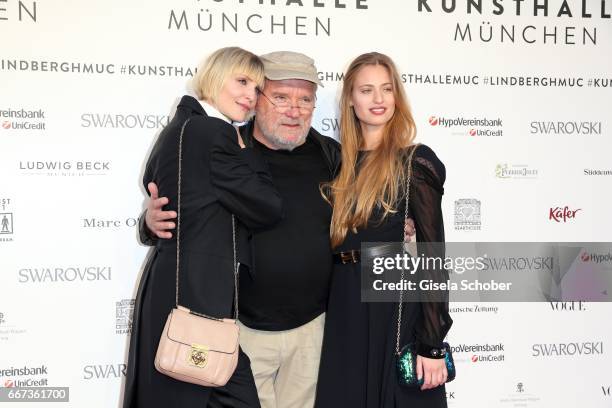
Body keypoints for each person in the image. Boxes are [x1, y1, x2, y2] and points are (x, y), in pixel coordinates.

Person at [139, 51, 341, 408]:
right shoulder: (227, 142)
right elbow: (179, 197)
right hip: (239, 327)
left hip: (312, 327)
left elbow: (366, 212)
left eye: (305, 100)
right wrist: (150, 223)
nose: (294, 110)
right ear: (261, 101)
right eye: (280, 97)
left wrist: (401, 226)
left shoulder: (332, 155)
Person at [123, 47, 283, 408]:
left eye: (257, 89)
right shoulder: (215, 133)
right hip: (195, 302)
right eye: (242, 81)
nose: (250, 96)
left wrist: (149, 223)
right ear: (214, 77)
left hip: (175, 294)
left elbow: (163, 191)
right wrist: (247, 145)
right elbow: (267, 206)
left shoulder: (177, 129)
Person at [314, 52, 452, 408]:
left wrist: (432, 343)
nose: (378, 99)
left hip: (392, 305)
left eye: (386, 89)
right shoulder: (335, 163)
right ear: (349, 99)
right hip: (343, 304)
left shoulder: (415, 161)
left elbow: (434, 256)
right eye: (367, 90)